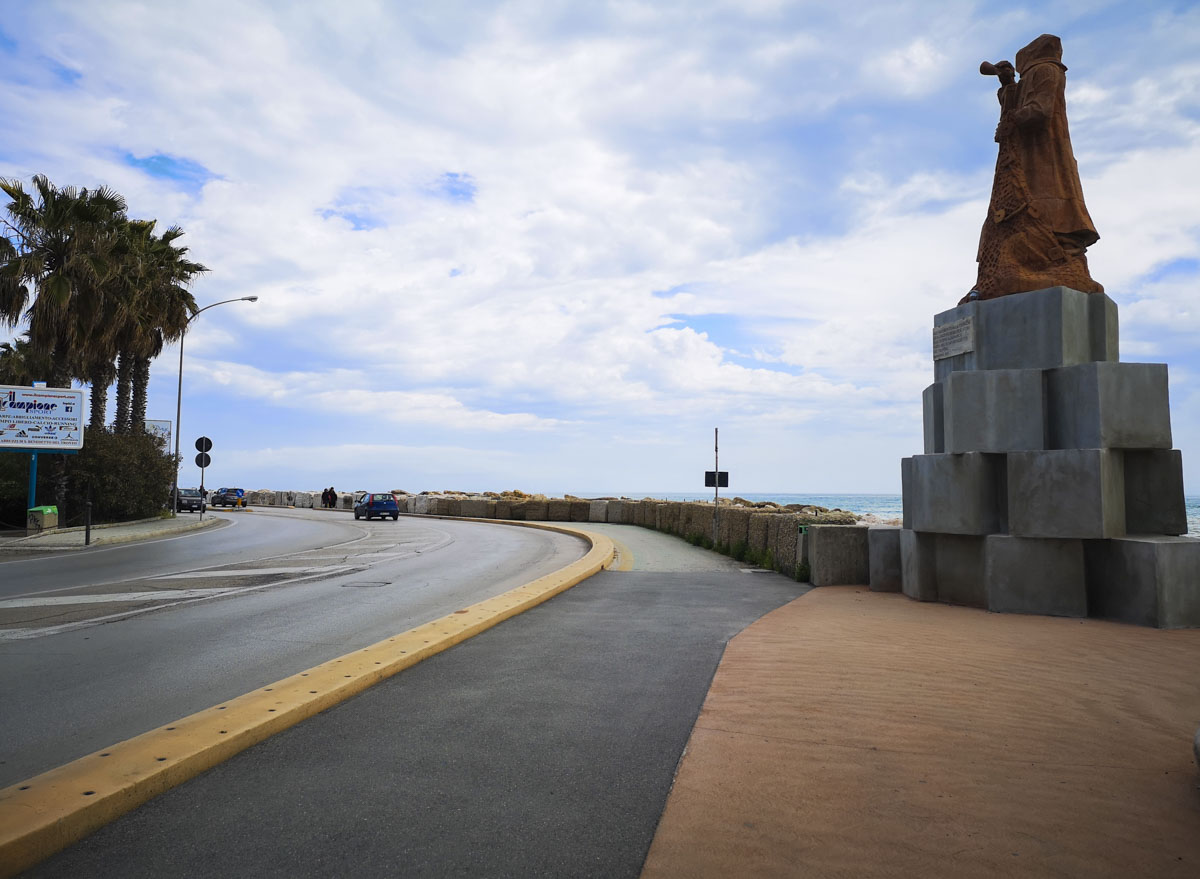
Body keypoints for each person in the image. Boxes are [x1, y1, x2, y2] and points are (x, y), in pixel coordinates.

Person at [966, 34, 1102, 302]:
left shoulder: (1045, 70)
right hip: (1026, 156)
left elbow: (1039, 110)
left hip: (1043, 154)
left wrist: (1013, 119)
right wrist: (1009, 85)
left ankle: (1060, 256)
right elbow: (1020, 105)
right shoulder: (1033, 74)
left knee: (1046, 205)